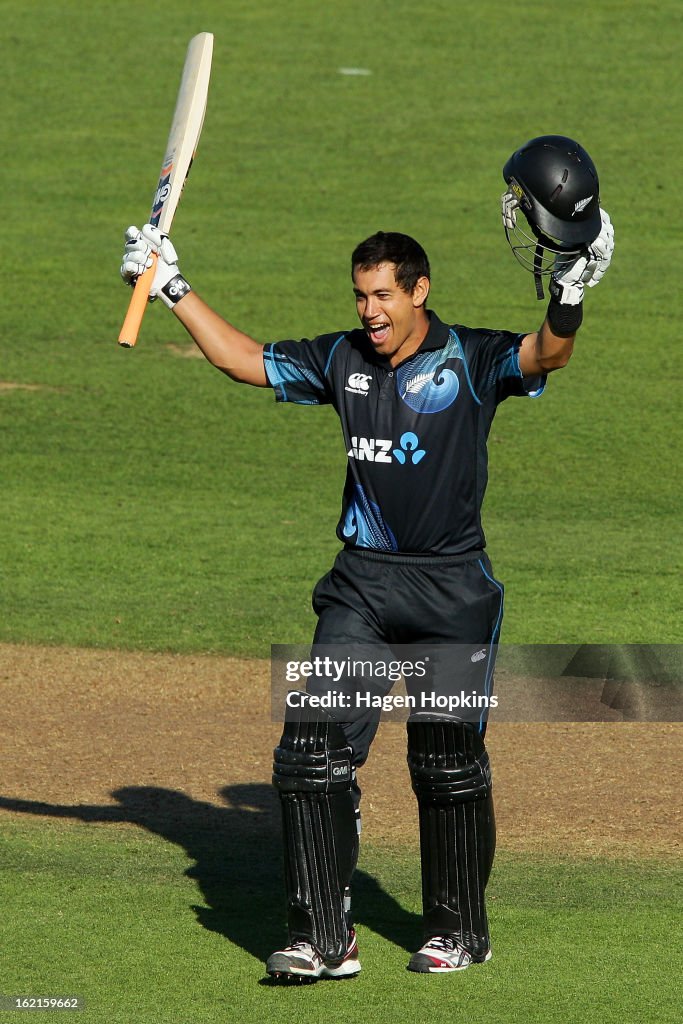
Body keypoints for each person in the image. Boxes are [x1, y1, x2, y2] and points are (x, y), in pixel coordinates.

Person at [119, 135, 614, 982]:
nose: (370, 312)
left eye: (383, 296)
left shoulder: (473, 357)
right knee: (308, 752)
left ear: (420, 292)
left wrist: (567, 298)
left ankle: (457, 929)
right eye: (360, 297)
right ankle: (321, 937)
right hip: (361, 588)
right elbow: (244, 361)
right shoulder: (342, 359)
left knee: (446, 765)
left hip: (454, 592)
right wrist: (172, 287)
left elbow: (548, 355)